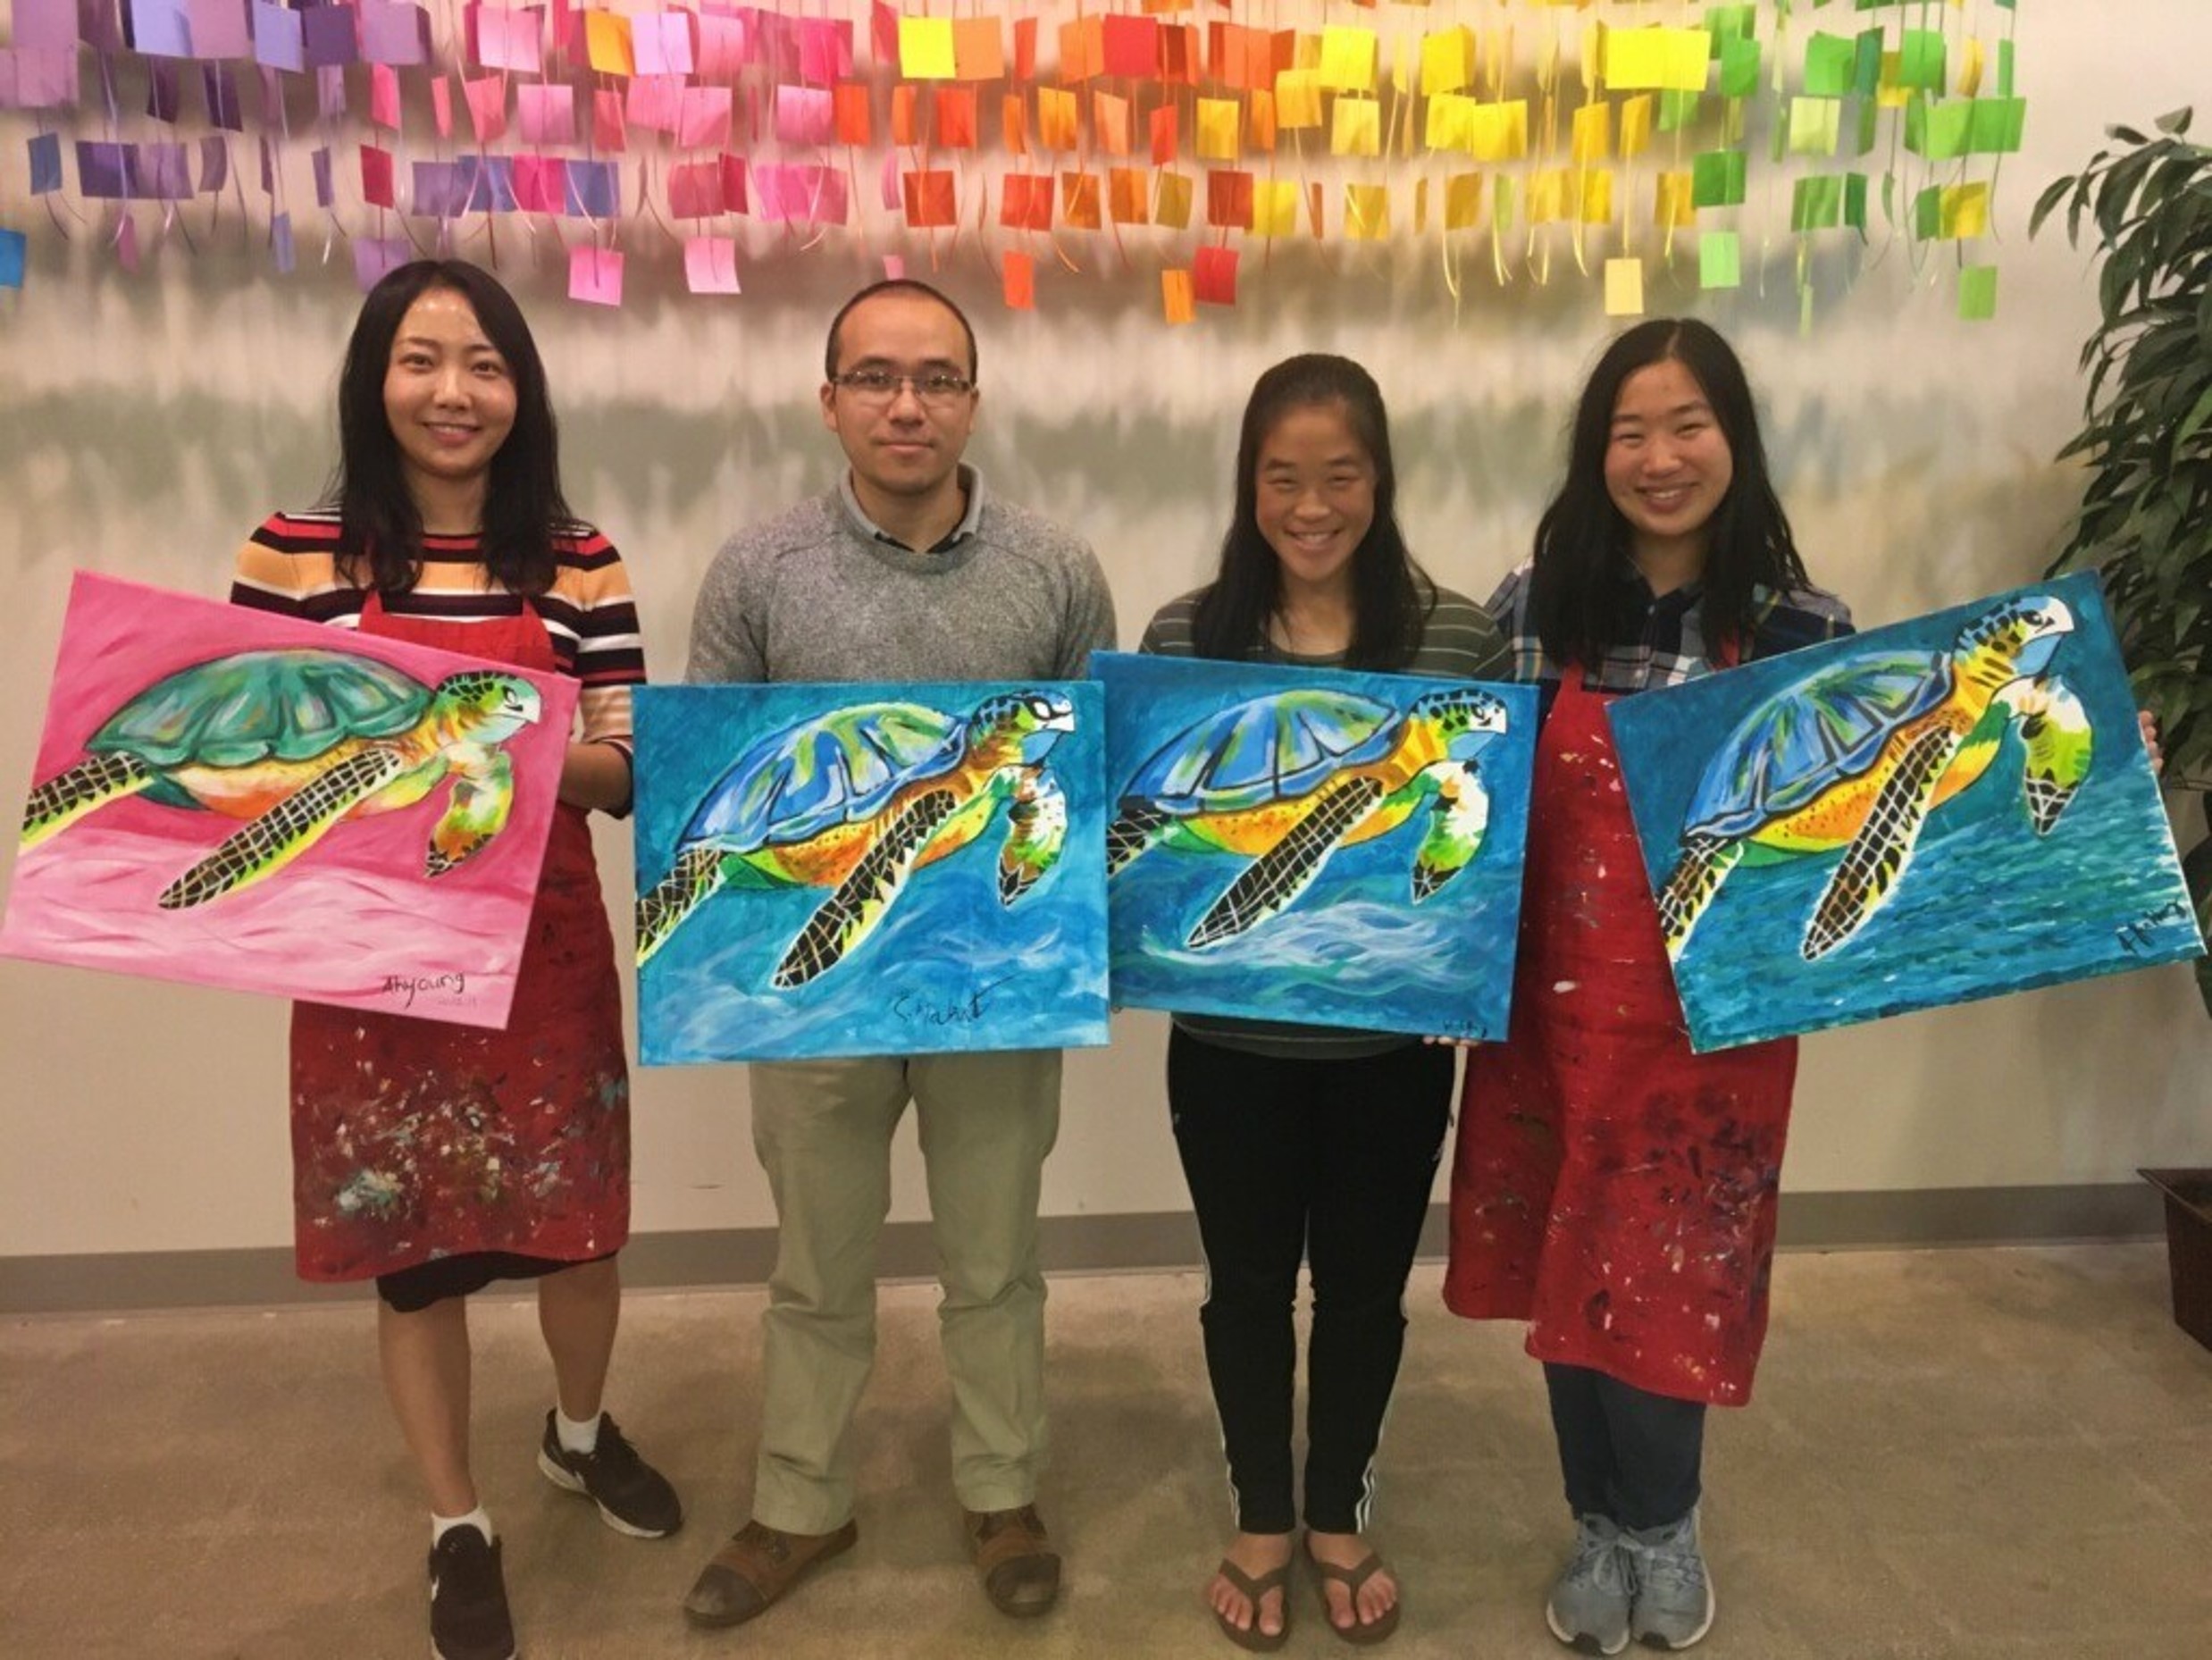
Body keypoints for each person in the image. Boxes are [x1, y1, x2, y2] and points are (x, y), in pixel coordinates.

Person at [230, 259, 679, 1660]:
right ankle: (454, 1519)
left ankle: (580, 1431)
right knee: (411, 1249)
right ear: (377, 379)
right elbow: (250, 753)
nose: (452, 392)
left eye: (483, 365)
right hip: (374, 960)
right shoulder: (294, 551)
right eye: (422, 361)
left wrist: (520, 754)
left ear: (519, 391)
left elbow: (625, 756)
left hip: (542, 943)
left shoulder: (578, 557)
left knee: (579, 1223)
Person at [679, 278, 1117, 1631]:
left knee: (995, 1255)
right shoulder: (758, 572)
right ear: (829, 402)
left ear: (975, 401)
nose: (906, 402)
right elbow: (706, 779)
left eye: (935, 376)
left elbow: (1087, 779)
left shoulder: (1055, 571)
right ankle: (800, 1496)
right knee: (818, 1260)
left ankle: (1001, 1485)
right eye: (875, 376)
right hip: (812, 993)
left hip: (996, 984)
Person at [1443, 319, 1852, 1656]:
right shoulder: (1531, 605)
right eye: (1630, 430)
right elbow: (1459, 792)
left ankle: (1664, 1520)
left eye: (1688, 425)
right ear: (1594, 450)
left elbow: (1862, 820)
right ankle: (1597, 1519)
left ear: (1733, 440)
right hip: (1546, 1020)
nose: (1659, 457)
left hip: (1705, 1042)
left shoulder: (1805, 628)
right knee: (1567, 1262)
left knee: (1668, 1275)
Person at [1138, 355, 1510, 1650]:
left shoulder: (1460, 639)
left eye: (1339, 475)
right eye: (1282, 476)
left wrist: (1471, 949)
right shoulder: (1186, 640)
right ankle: (1260, 1509)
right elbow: (1155, 841)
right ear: (1249, 485)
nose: (1311, 504)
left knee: (1361, 1291)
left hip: (1391, 1050)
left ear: (1381, 481)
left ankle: (1338, 1504)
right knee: (1245, 1286)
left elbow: (1495, 837)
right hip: (1227, 1045)